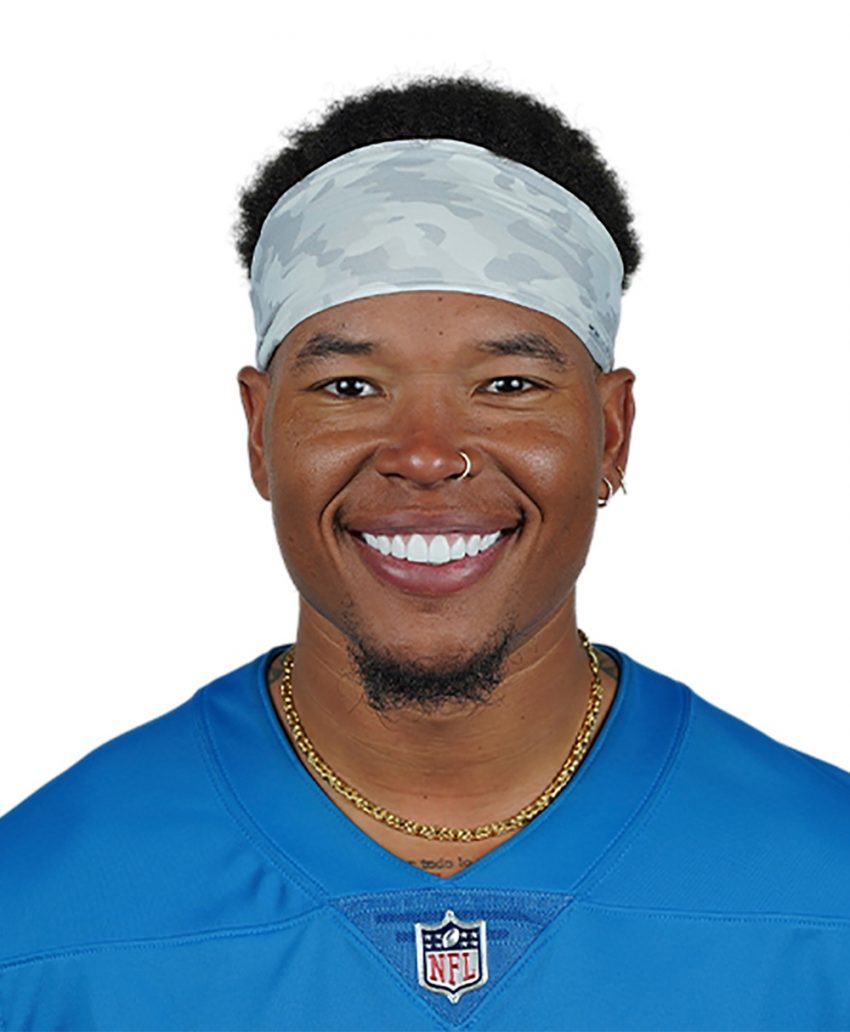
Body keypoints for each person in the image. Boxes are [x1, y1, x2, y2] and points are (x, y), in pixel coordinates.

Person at [1, 76, 848, 1031]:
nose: (426, 454)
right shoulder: (37, 919)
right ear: (258, 432)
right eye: (351, 386)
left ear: (611, 433)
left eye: (509, 383)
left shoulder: (827, 897)